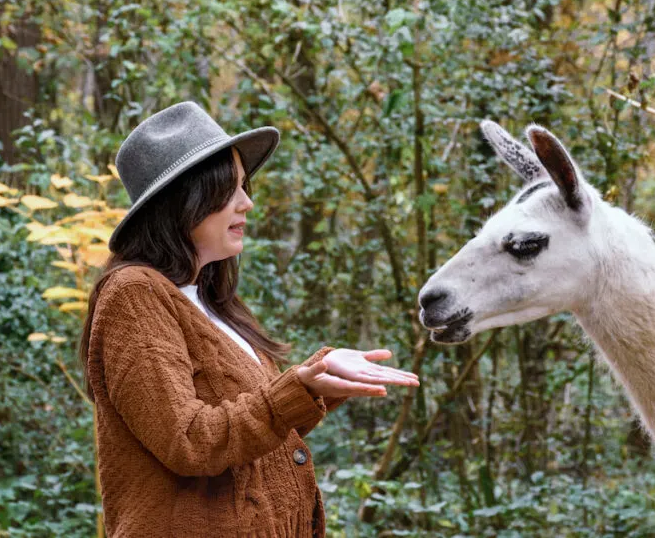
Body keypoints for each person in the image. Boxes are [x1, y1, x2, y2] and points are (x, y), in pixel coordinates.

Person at [79, 102, 419, 537]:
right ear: (187, 198)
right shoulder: (134, 294)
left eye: (246, 187)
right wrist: (297, 386)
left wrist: (317, 380)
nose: (248, 204)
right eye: (232, 189)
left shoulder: (206, 299)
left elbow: (252, 431)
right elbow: (189, 440)